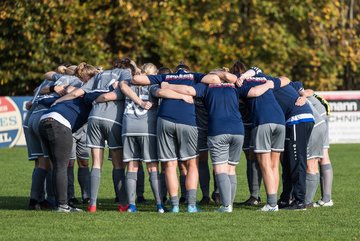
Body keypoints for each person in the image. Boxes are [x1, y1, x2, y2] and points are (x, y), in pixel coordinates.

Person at [53, 58, 134, 212]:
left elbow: (77, 92)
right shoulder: (125, 73)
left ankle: (92, 204)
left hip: (93, 118)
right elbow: (116, 94)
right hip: (112, 120)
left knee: (96, 163)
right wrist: (102, 97)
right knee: (117, 164)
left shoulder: (99, 75)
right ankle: (123, 204)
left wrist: (58, 101)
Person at [132, 62, 204, 213]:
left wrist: (166, 85)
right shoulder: (196, 77)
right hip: (187, 120)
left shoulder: (165, 76)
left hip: (164, 119)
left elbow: (137, 80)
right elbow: (215, 79)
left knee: (169, 165)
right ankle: (191, 205)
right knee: (192, 163)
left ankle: (175, 205)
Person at [38, 63, 99, 212]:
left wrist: (58, 98)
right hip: (59, 124)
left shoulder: (74, 93)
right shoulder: (88, 96)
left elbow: (43, 99)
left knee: (56, 166)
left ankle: (57, 203)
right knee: (61, 167)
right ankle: (63, 205)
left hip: (44, 121)